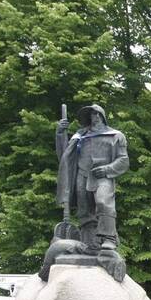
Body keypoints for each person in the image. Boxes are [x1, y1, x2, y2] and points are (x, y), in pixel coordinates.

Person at [55, 104, 129, 250]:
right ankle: (88, 242)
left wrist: (108, 169)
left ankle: (109, 238)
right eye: (90, 114)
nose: (93, 117)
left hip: (102, 175)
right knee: (84, 210)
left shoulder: (116, 136)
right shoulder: (80, 136)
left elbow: (123, 160)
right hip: (82, 175)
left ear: (102, 115)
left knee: (103, 202)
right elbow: (65, 157)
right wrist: (60, 133)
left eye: (95, 114)